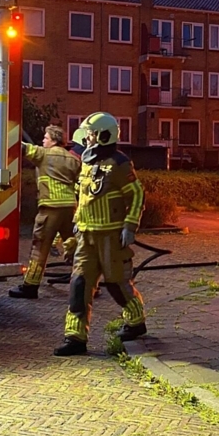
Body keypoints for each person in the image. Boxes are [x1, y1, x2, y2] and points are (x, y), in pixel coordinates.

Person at [54, 112, 146, 357]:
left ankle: (135, 321)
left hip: (111, 237)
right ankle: (75, 337)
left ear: (105, 135)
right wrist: (75, 226)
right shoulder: (87, 162)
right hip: (86, 236)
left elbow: (136, 194)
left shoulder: (119, 163)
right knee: (79, 285)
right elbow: (83, 198)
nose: (89, 138)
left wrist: (129, 226)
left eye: (92, 134)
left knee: (117, 284)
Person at [9, 124, 82, 299]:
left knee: (39, 248)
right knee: (76, 247)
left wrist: (9, 129)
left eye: (46, 138)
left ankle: (30, 286)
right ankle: (86, 284)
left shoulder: (42, 153)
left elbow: (21, 147)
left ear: (54, 140)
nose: (43, 141)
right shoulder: (73, 159)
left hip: (50, 208)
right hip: (70, 208)